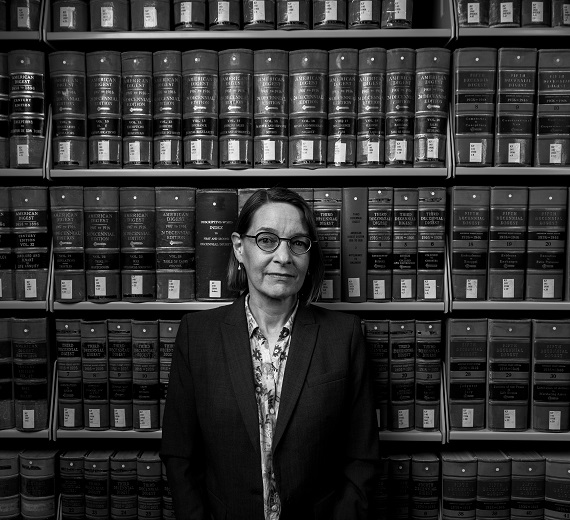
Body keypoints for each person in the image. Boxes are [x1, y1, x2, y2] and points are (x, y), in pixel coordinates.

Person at [160, 186, 379, 520]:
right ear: (239, 247)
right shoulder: (197, 335)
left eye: (297, 243)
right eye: (266, 240)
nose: (284, 257)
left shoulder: (344, 335)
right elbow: (179, 456)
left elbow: (361, 457)